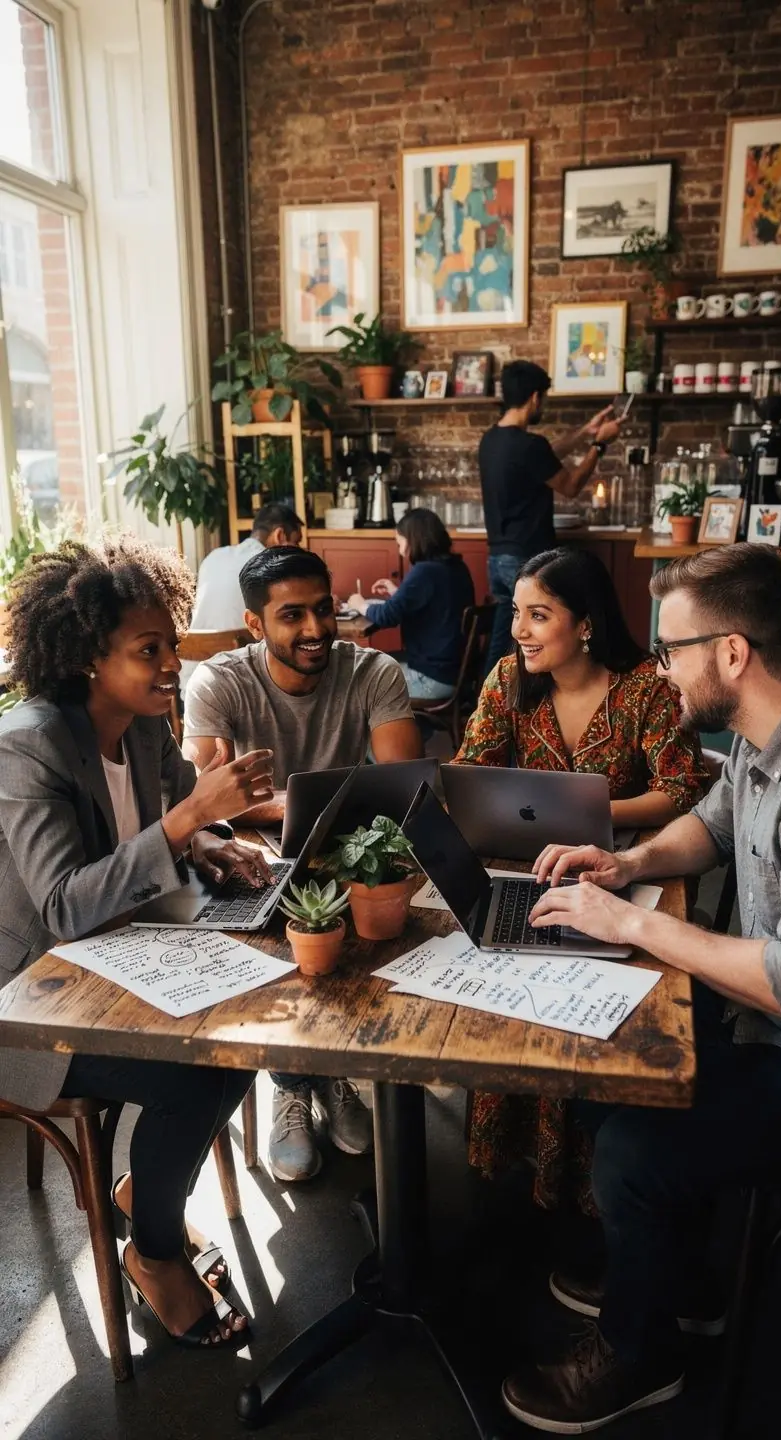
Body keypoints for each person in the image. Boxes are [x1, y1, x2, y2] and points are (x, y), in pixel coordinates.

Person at [500, 543, 781, 1434]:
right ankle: (680, 1282)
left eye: (672, 648)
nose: (660, 666)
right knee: (611, 1074)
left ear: (731, 654)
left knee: (637, 1150)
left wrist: (634, 922)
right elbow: (707, 825)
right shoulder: (766, 734)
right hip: (767, 1027)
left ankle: (644, 1356)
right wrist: (626, 862)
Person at [0, 537, 280, 1349]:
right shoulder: (29, 745)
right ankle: (154, 1253)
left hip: (134, 956)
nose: (171, 665)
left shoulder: (150, 725)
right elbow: (62, 905)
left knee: (250, 1028)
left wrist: (215, 841)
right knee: (203, 1071)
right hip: (35, 1001)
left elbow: (174, 821)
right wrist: (188, 823)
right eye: (147, 650)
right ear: (90, 657)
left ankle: (142, 1195)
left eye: (172, 644)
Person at [453, 545, 707, 1213]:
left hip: (619, 874)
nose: (519, 632)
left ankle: (590, 1186)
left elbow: (680, 791)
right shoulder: (509, 679)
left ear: (585, 622)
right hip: (521, 867)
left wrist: (590, 818)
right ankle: (516, 1166)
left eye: (539, 616)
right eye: (516, 614)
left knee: (593, 1015)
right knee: (501, 977)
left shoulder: (646, 688)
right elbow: (469, 771)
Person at [182, 545, 423, 1183]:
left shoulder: (373, 671)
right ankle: (293, 1079)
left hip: (335, 853)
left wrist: (268, 802)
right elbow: (207, 803)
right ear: (255, 625)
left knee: (371, 904)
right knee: (265, 903)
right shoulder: (219, 681)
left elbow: (403, 789)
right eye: (293, 616)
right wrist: (300, 805)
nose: (316, 629)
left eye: (322, 610)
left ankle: (330, 1069)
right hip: (251, 861)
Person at [479, 359, 622, 676]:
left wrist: (585, 432)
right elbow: (570, 486)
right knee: (541, 640)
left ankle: (488, 701)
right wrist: (599, 444)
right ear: (534, 397)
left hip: (497, 558)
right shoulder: (530, 446)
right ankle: (534, 705)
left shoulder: (491, 440)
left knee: (505, 640)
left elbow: (543, 456)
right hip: (527, 558)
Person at [345, 508, 475, 700]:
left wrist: (359, 604)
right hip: (457, 675)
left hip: (431, 679)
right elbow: (437, 607)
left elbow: (388, 616)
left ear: (412, 540)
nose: (400, 549)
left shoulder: (425, 571)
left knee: (355, 678)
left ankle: (379, 730)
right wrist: (397, 592)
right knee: (373, 663)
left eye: (400, 542)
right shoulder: (456, 567)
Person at [179, 503, 303, 695]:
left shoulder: (213, 557)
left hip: (190, 685)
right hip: (239, 691)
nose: (298, 551)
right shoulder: (271, 566)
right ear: (279, 535)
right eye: (296, 543)